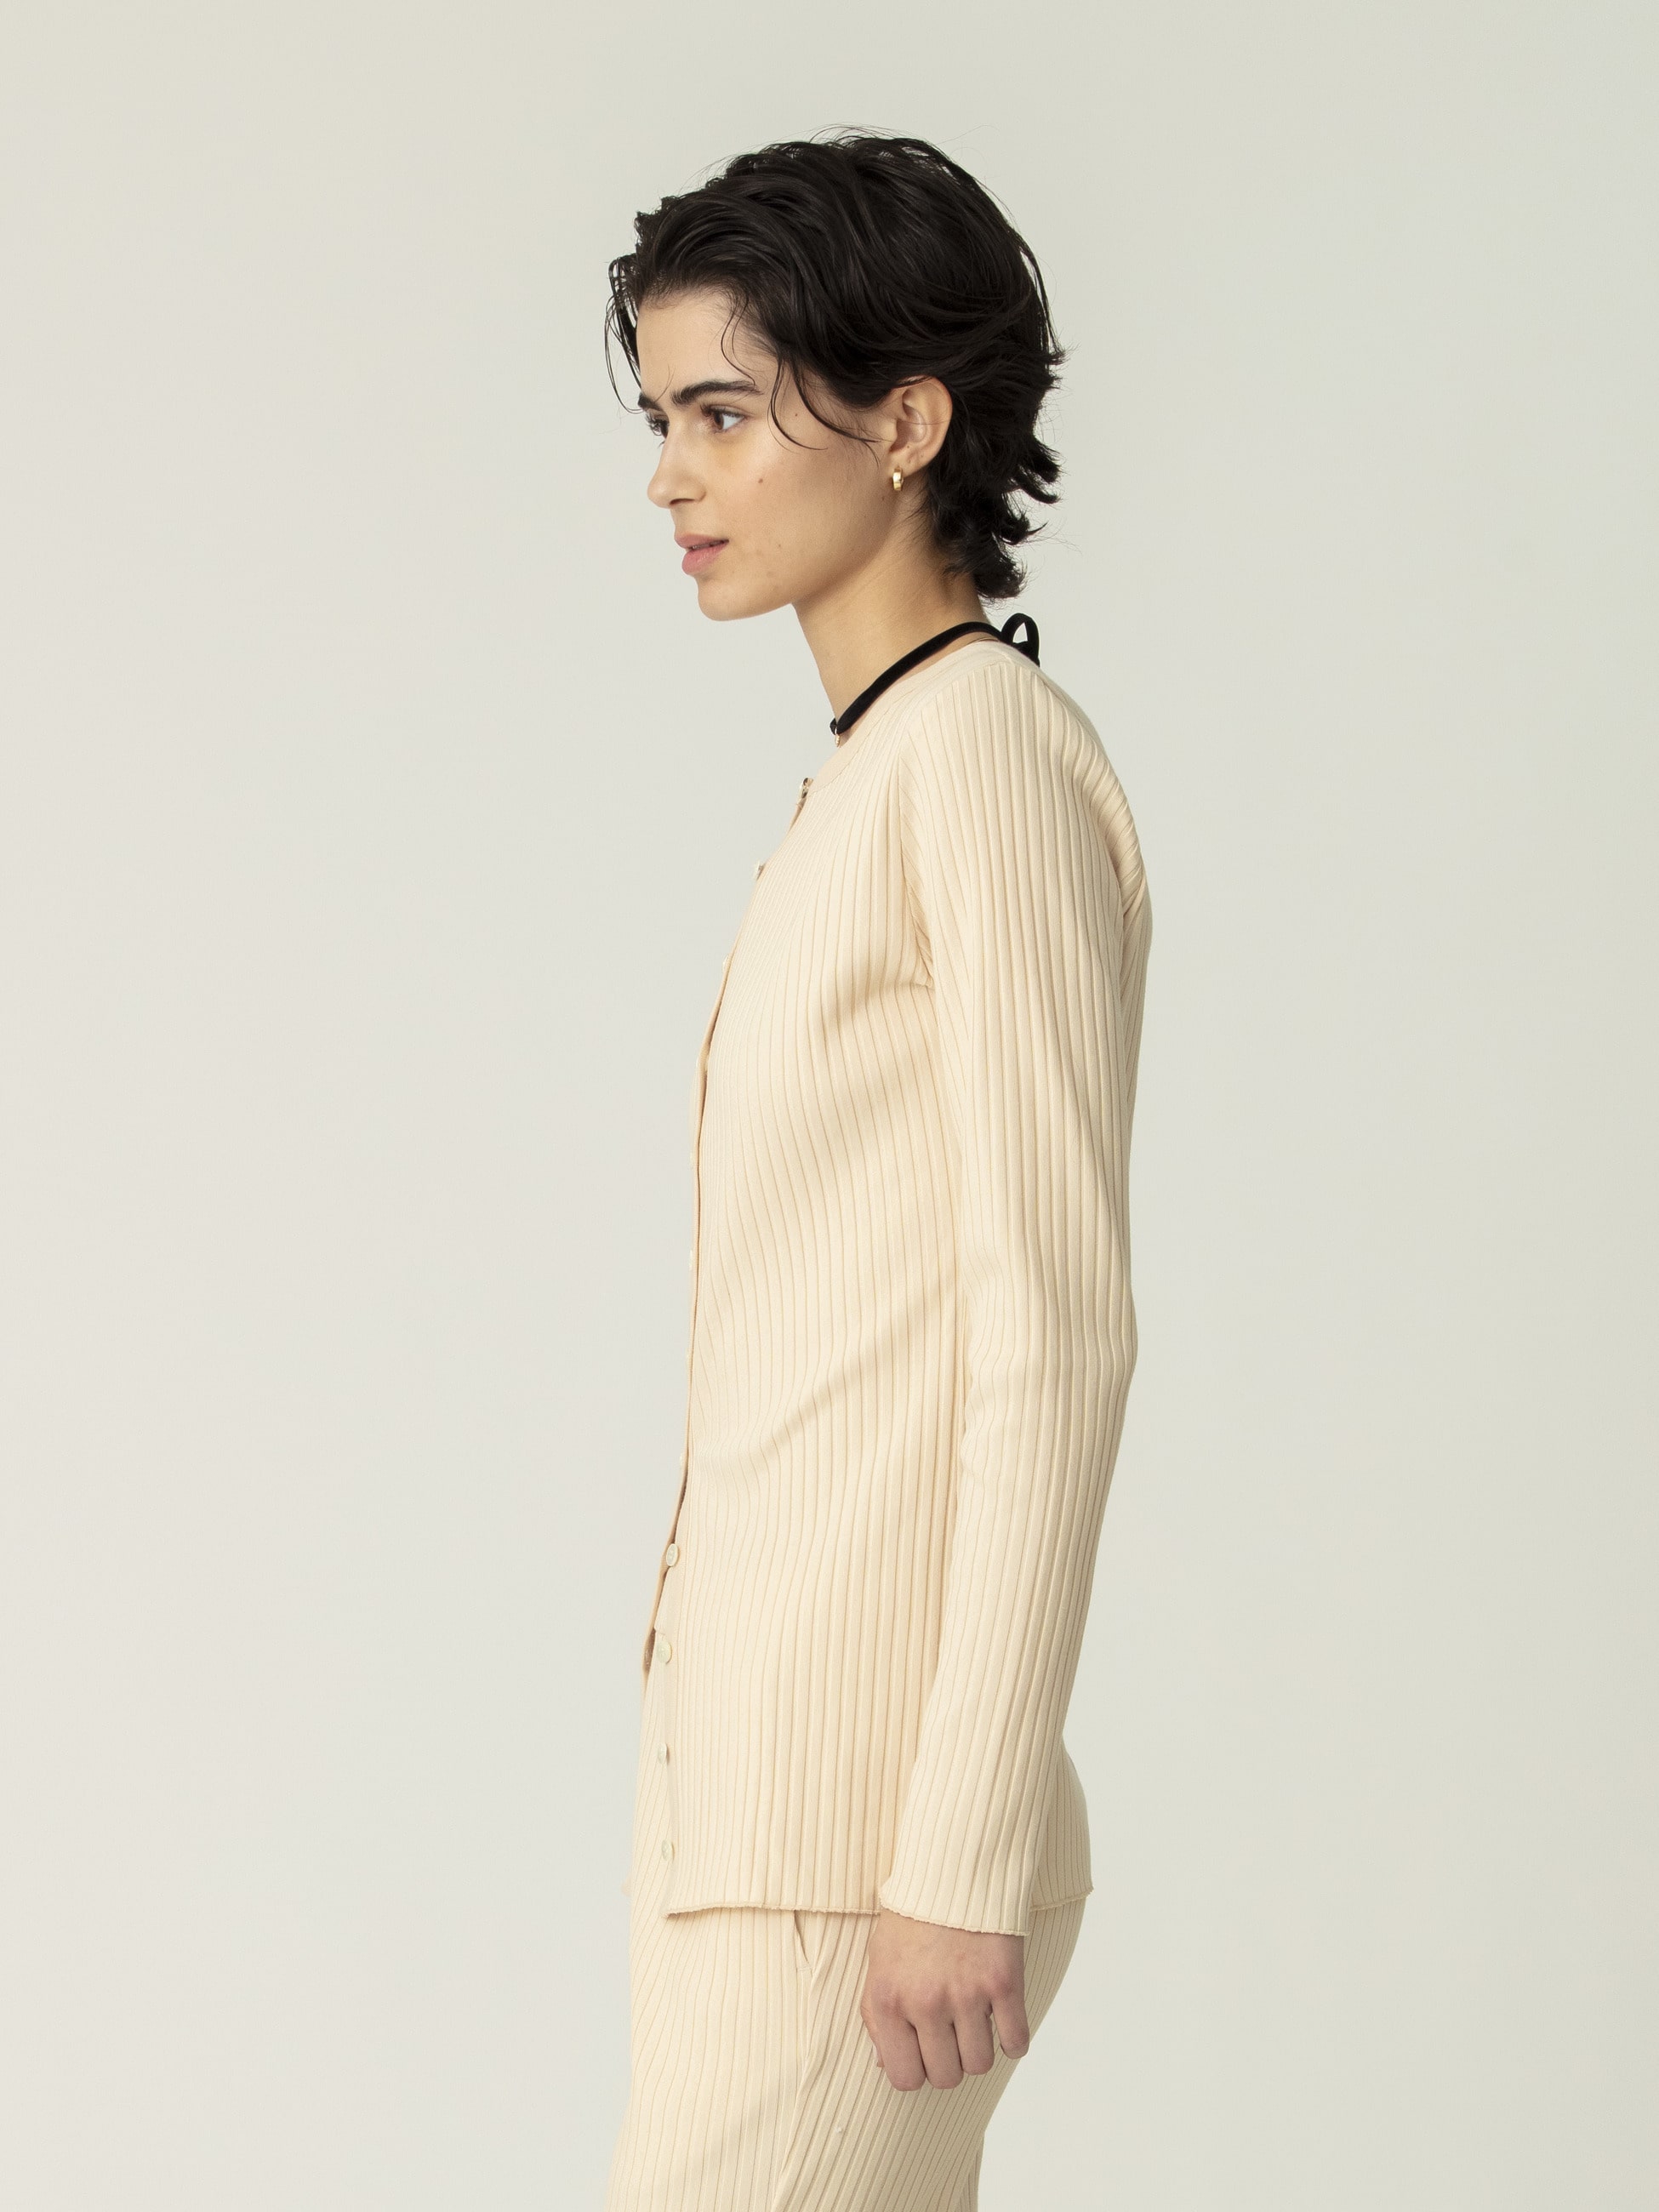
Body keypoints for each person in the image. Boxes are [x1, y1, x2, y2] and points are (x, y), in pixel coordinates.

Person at [601, 131, 1153, 2212]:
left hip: (870, 1853)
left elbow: (1058, 1335)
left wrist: (964, 1849)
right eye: (664, 421)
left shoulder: (981, 756)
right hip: (755, 1825)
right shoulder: (877, 776)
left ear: (905, 423)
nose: (675, 476)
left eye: (724, 414)